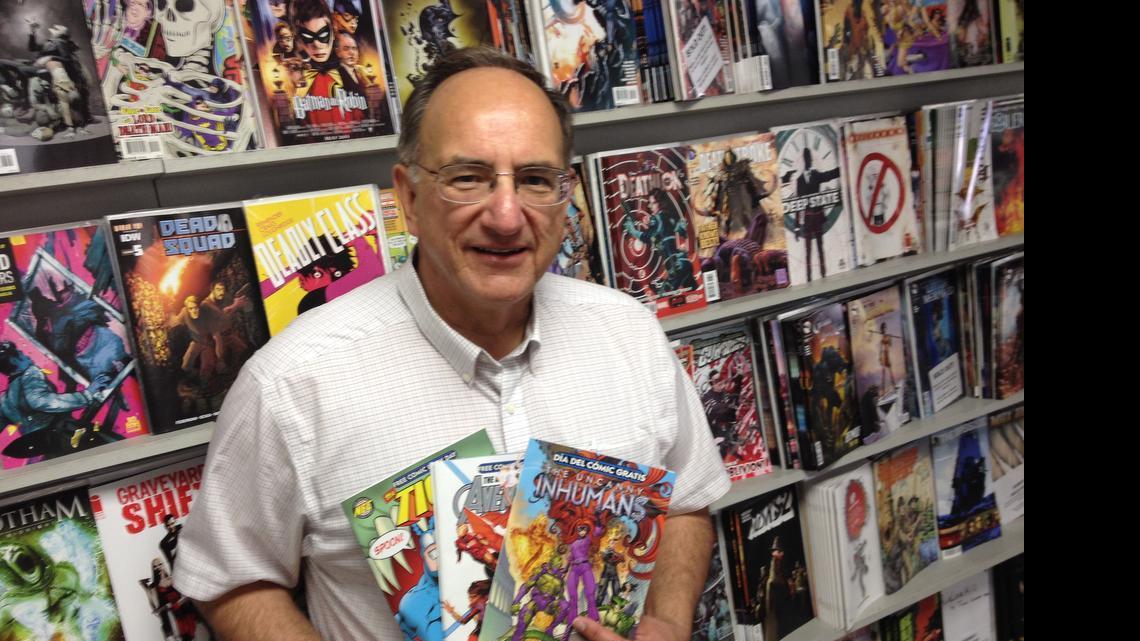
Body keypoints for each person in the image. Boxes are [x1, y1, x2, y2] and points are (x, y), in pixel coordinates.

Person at [174, 46, 729, 641]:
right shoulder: (292, 384)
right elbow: (231, 581)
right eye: (468, 177)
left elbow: (688, 501)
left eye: (537, 179)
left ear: (566, 197)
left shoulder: (629, 333)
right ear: (409, 198)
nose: (507, 215)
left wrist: (667, 621)